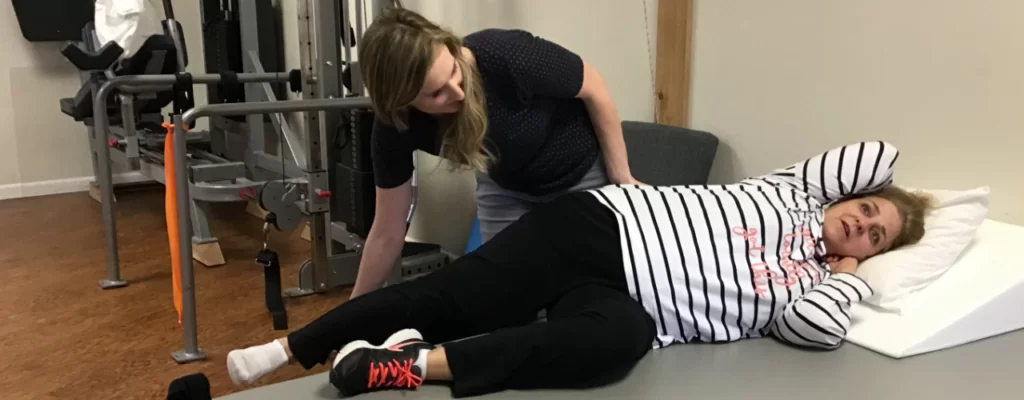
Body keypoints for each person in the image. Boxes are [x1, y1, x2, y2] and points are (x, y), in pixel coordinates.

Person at [226, 141, 933, 398]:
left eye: (878, 236)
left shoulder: (820, 286)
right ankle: (285, 351)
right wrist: (902, 198)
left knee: (613, 348)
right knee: (454, 294)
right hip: (598, 228)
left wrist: (849, 273)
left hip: (635, 306)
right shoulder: (794, 190)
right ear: (850, 195)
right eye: (868, 209)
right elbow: (878, 151)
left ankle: (406, 365)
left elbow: (813, 329)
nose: (863, 225)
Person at [350, 5, 639, 298]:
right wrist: (350, 313)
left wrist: (622, 176)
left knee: (590, 286)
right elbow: (387, 231)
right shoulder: (395, 126)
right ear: (403, 102)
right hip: (506, 186)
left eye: (454, 70)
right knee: (502, 294)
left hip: (577, 171)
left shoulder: (505, 54)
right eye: (437, 93)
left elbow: (594, 87)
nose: (458, 92)